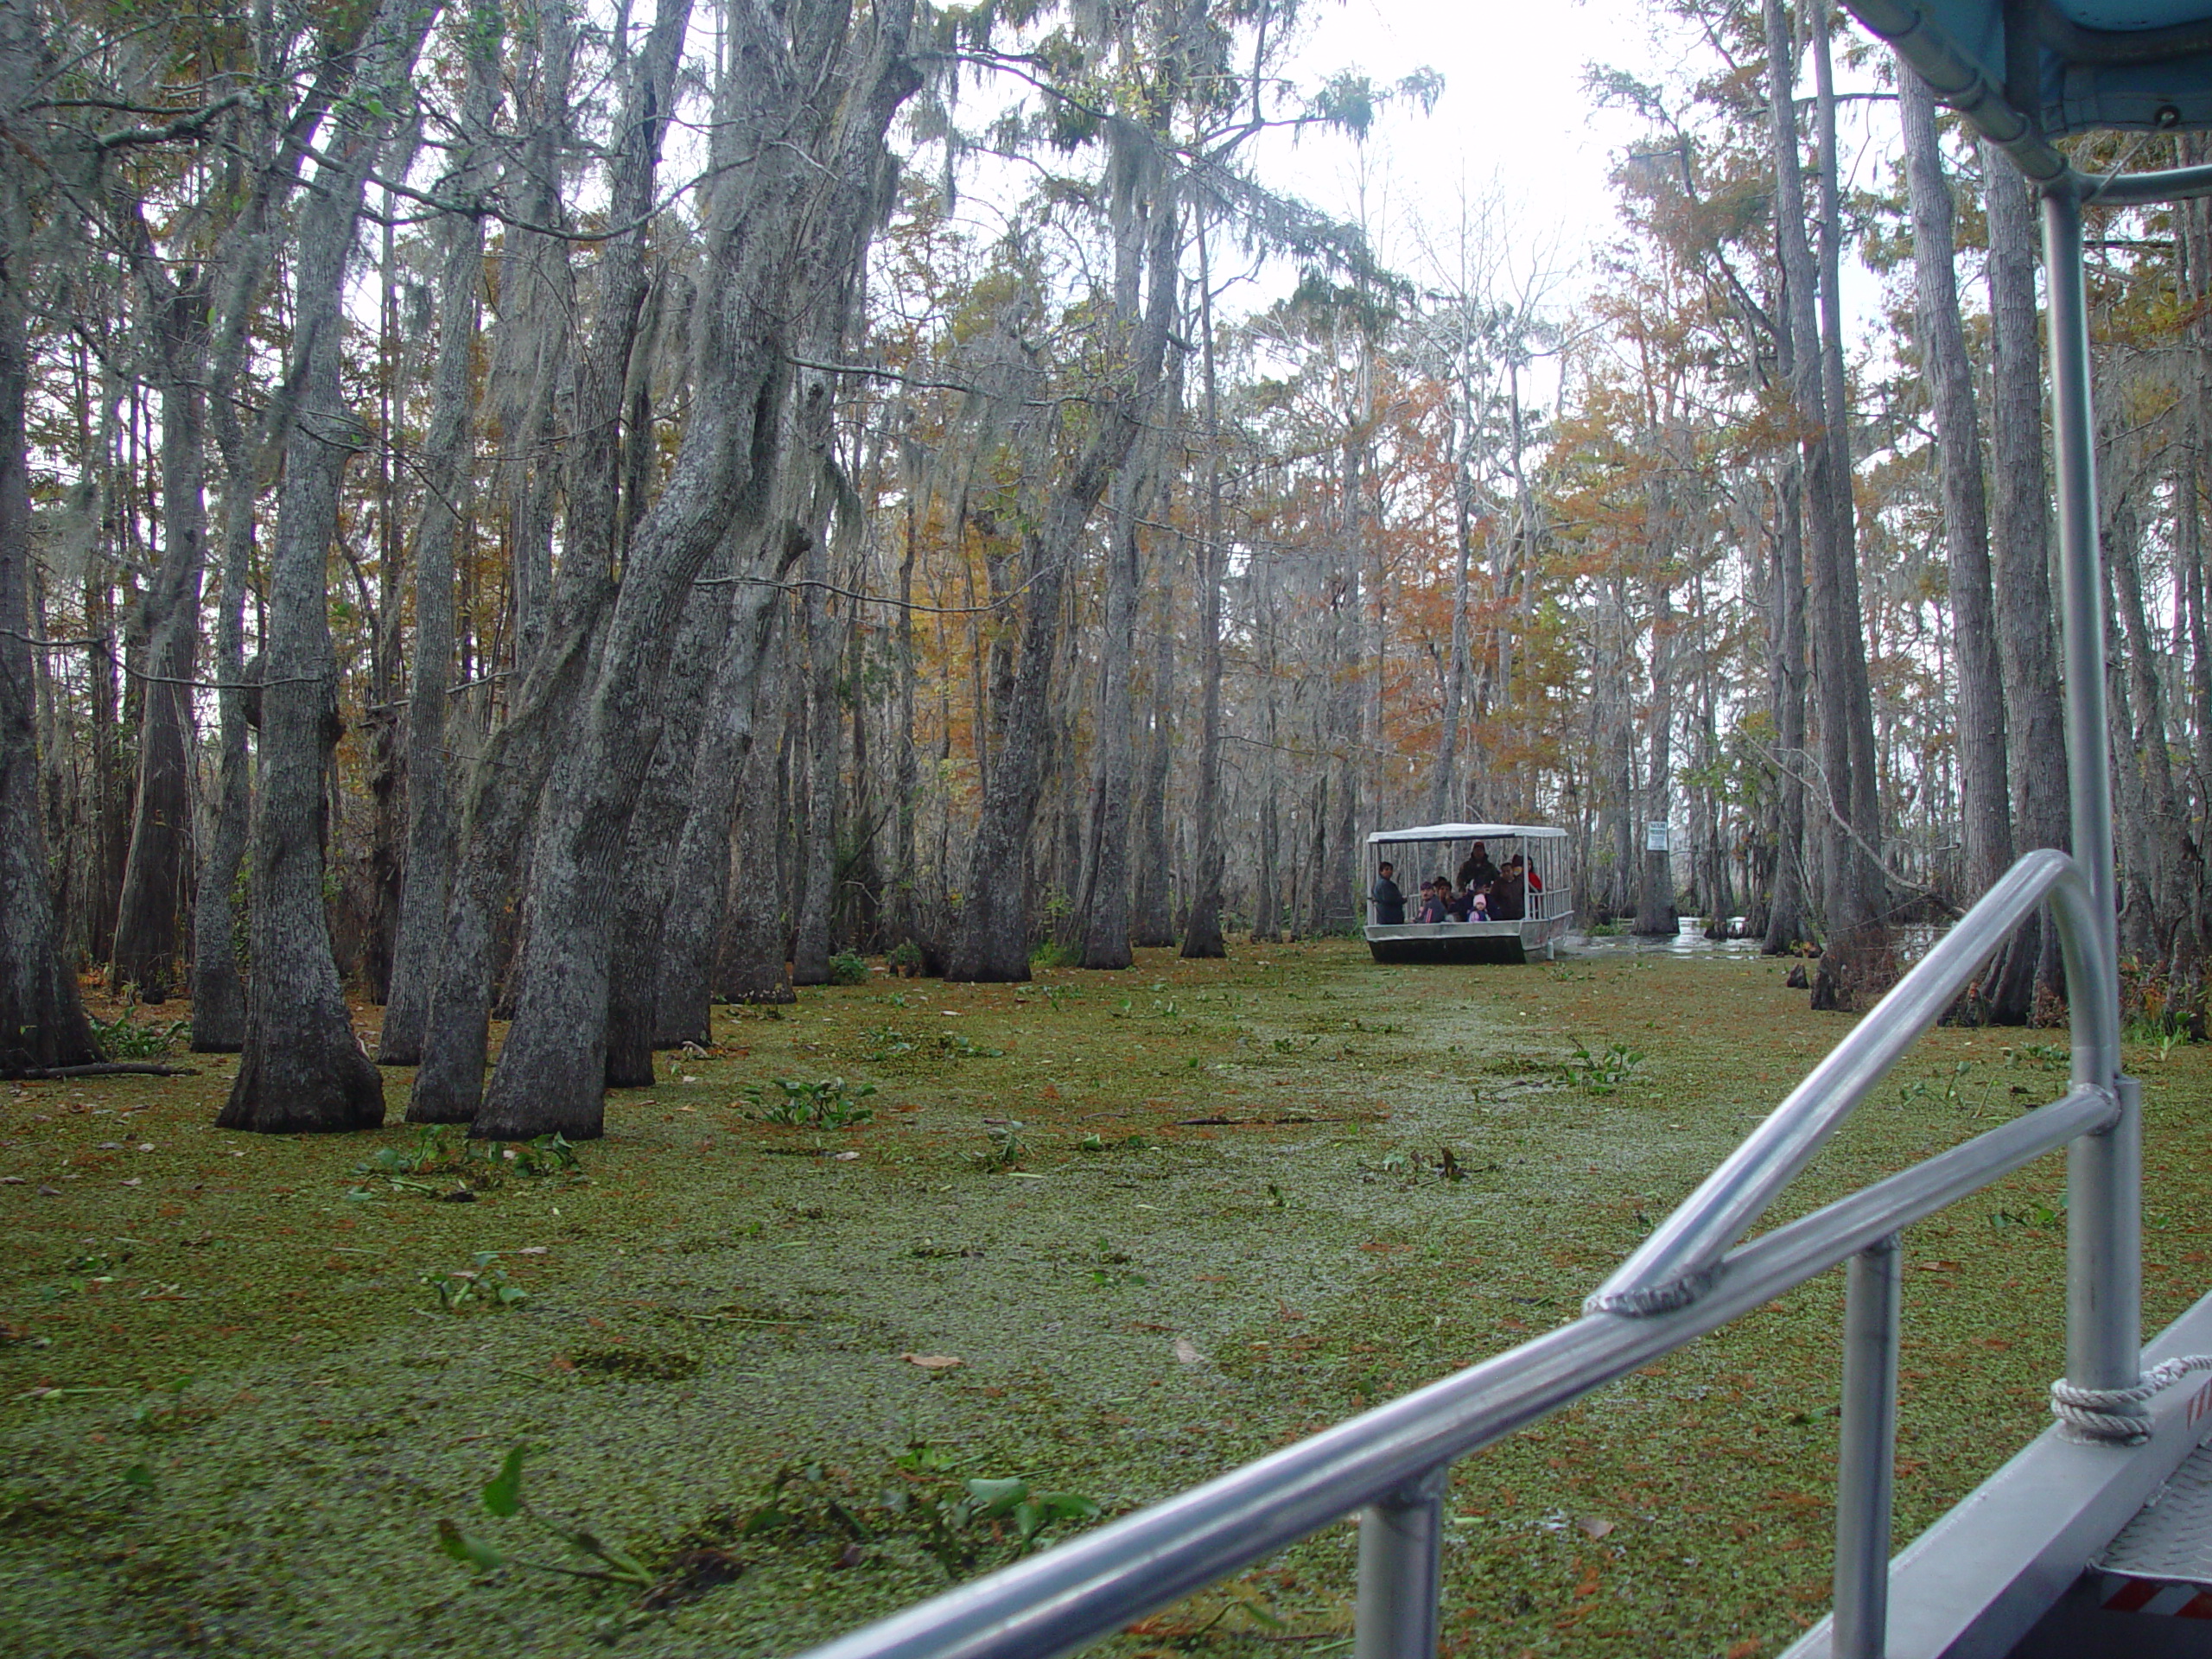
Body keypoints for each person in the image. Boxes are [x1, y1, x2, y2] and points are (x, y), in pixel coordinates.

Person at [1490, 855, 1527, 922]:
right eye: (1504, 872)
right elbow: (1493, 898)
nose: (1506, 873)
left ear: (1512, 871)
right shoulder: (1498, 884)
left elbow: (1526, 893)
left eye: (1508, 871)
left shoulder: (1520, 882)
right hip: (1504, 917)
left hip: (1519, 915)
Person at [1370, 861, 1406, 925]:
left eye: (1391, 869)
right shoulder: (1384, 884)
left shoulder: (1384, 883)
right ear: (1381, 872)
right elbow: (1389, 899)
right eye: (1386, 869)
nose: (1389, 871)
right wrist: (1401, 900)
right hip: (1390, 917)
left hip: (1387, 917)